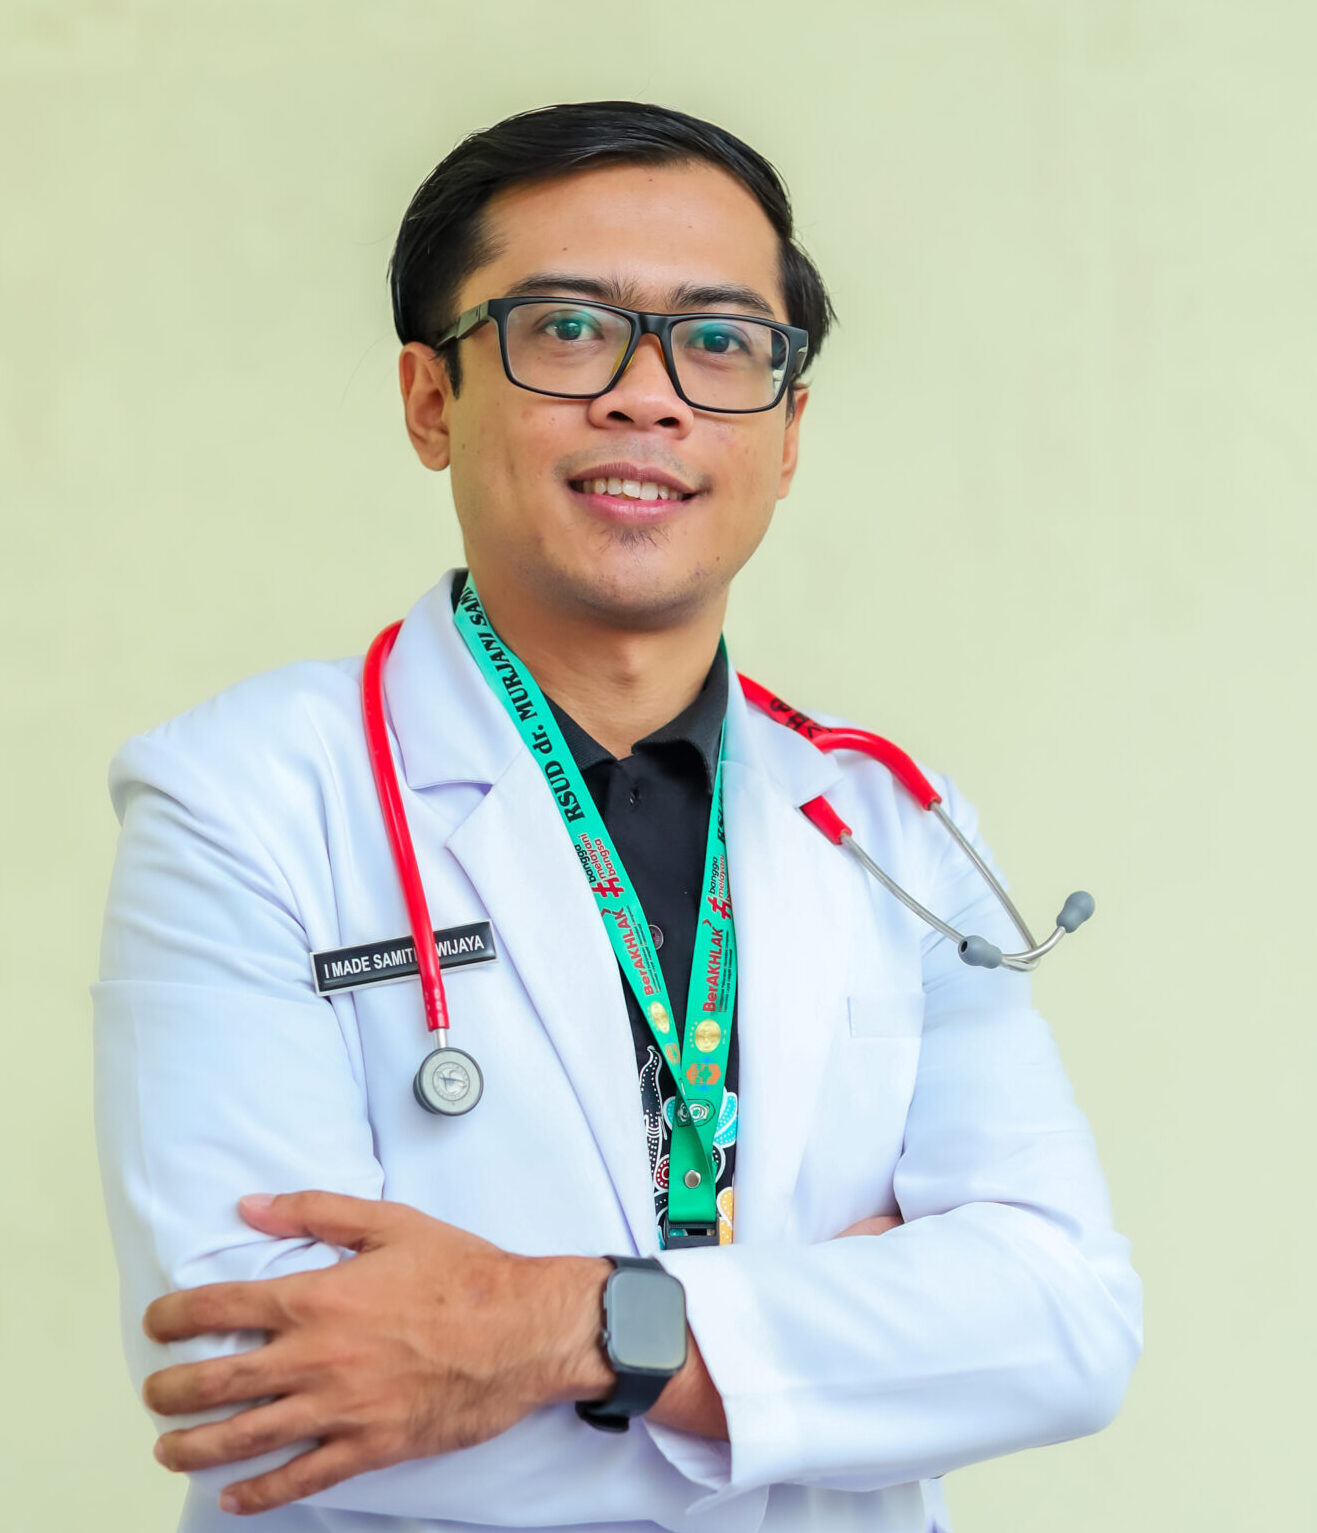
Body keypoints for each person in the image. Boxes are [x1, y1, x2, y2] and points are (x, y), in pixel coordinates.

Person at [91, 100, 1142, 1532]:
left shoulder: (895, 826)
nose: (649, 397)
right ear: (429, 399)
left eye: (720, 342)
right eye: (569, 328)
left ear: (787, 432)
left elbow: (1064, 1321)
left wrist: (554, 1327)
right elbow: (264, 1383)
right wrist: (841, 1355)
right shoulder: (244, 796)